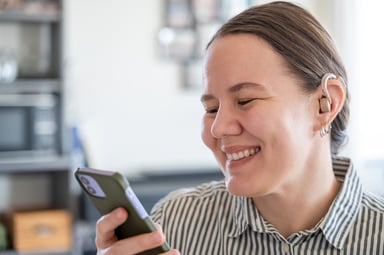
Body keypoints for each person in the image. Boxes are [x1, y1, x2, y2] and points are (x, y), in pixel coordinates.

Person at [95, 1, 384, 254]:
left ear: (326, 103)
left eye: (245, 100)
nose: (218, 128)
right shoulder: (174, 223)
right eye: (210, 108)